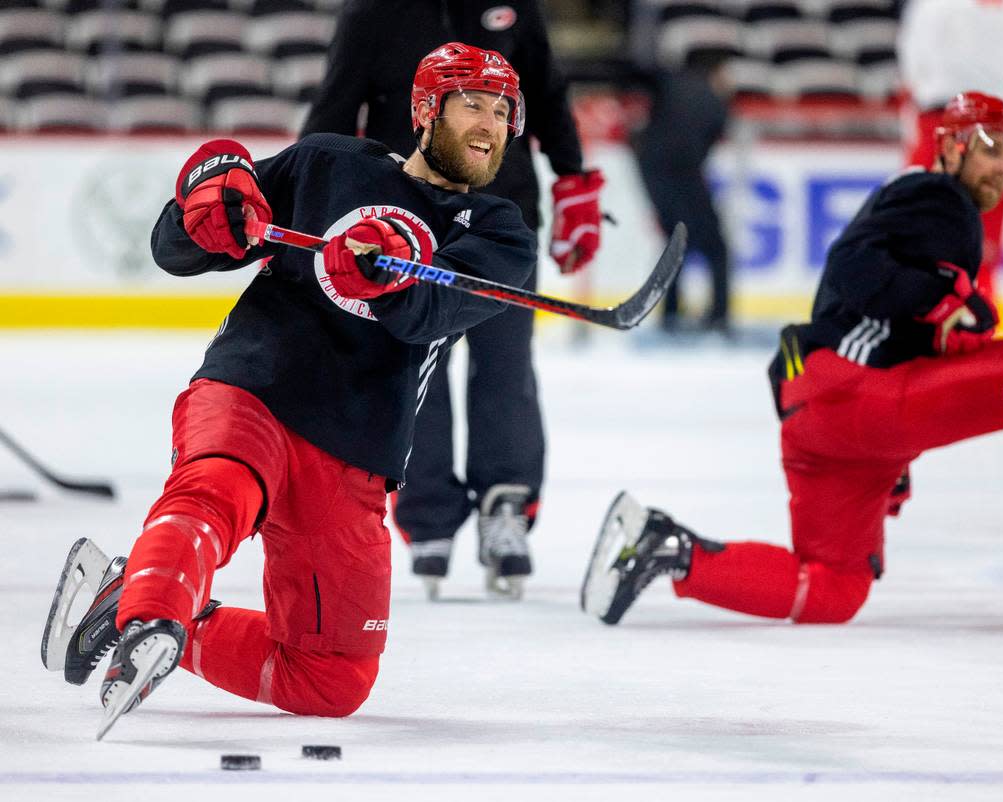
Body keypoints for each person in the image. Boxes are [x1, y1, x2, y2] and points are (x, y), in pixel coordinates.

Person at [41, 42, 535, 735]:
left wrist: (387, 271)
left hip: (356, 449)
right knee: (215, 490)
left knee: (330, 679)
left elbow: (429, 311)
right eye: (473, 106)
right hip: (256, 389)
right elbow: (178, 246)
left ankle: (125, 598)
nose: (490, 126)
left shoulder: (500, 235)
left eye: (502, 112)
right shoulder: (329, 163)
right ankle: (152, 613)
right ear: (427, 110)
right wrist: (201, 213)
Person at [581, 92, 1003, 631]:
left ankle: (666, 548)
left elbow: (863, 299)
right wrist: (945, 296)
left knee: (831, 588)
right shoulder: (938, 197)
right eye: (991, 146)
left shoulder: (913, 201)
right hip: (856, 397)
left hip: (821, 413)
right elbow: (853, 267)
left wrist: (900, 440)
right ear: (950, 149)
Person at [301, 0, 603, 600]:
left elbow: (544, 90)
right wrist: (313, 195)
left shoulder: (514, 5)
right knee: (415, 365)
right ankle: (429, 509)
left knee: (506, 365)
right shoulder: (371, 12)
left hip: (503, 214)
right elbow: (336, 105)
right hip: (403, 219)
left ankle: (506, 505)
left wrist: (572, 179)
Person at [897, 0, 1003, 301]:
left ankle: (919, 318)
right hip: (999, 130)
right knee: (980, 243)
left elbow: (913, 71)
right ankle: (979, 320)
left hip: (944, 123)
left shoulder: (932, 8)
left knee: (919, 229)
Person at [633, 52, 732, 334]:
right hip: (685, 172)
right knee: (715, 247)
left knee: (674, 239)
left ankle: (671, 312)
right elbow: (711, 140)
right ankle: (719, 315)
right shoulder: (717, 100)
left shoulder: (671, 80)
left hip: (651, 169)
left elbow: (639, 75)